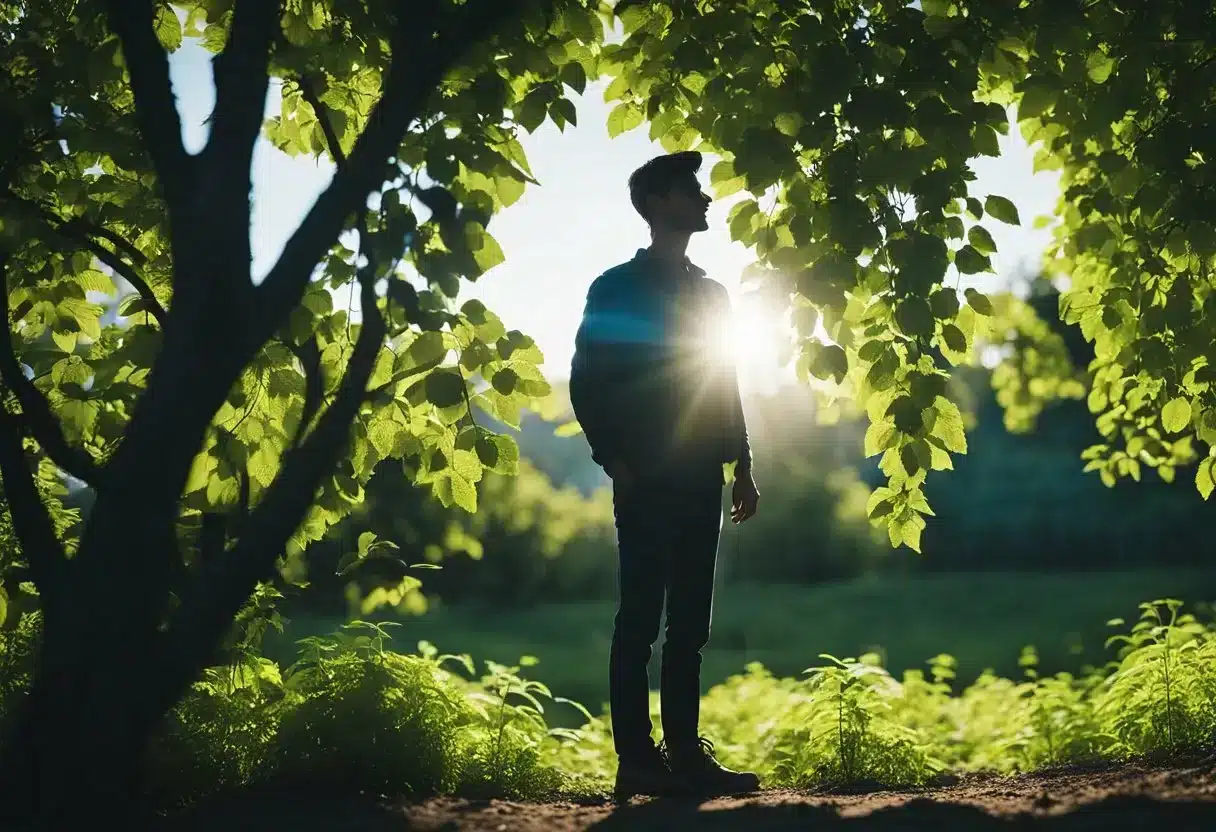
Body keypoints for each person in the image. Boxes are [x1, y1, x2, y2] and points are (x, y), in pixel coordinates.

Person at [568, 150, 761, 798]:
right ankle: (637, 762)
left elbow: (724, 380)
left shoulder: (712, 295)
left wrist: (743, 465)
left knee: (690, 628)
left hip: (703, 477)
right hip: (646, 480)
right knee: (639, 623)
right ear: (655, 203)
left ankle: (684, 757)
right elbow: (587, 380)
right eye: (689, 190)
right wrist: (614, 461)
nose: (704, 199)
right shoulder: (615, 289)